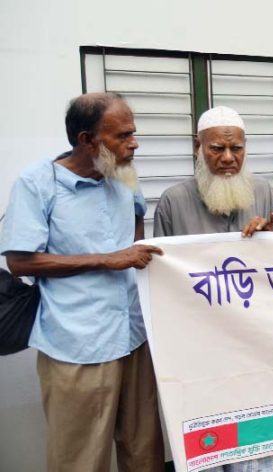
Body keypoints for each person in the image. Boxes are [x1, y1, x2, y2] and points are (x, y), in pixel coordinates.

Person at [0, 93, 164, 471]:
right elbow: (20, 261)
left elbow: (136, 220)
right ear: (87, 140)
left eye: (133, 134)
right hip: (78, 346)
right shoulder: (36, 183)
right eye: (122, 136)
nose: (133, 144)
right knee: (80, 459)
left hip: (134, 337)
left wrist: (130, 250)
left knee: (144, 453)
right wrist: (108, 259)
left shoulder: (123, 174)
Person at [154, 106, 273, 471]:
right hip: (200, 350)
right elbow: (162, 282)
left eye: (237, 149)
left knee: (256, 444)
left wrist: (271, 240)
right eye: (217, 149)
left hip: (256, 345)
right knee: (208, 444)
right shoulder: (173, 201)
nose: (228, 158)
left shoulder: (263, 192)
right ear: (197, 147)